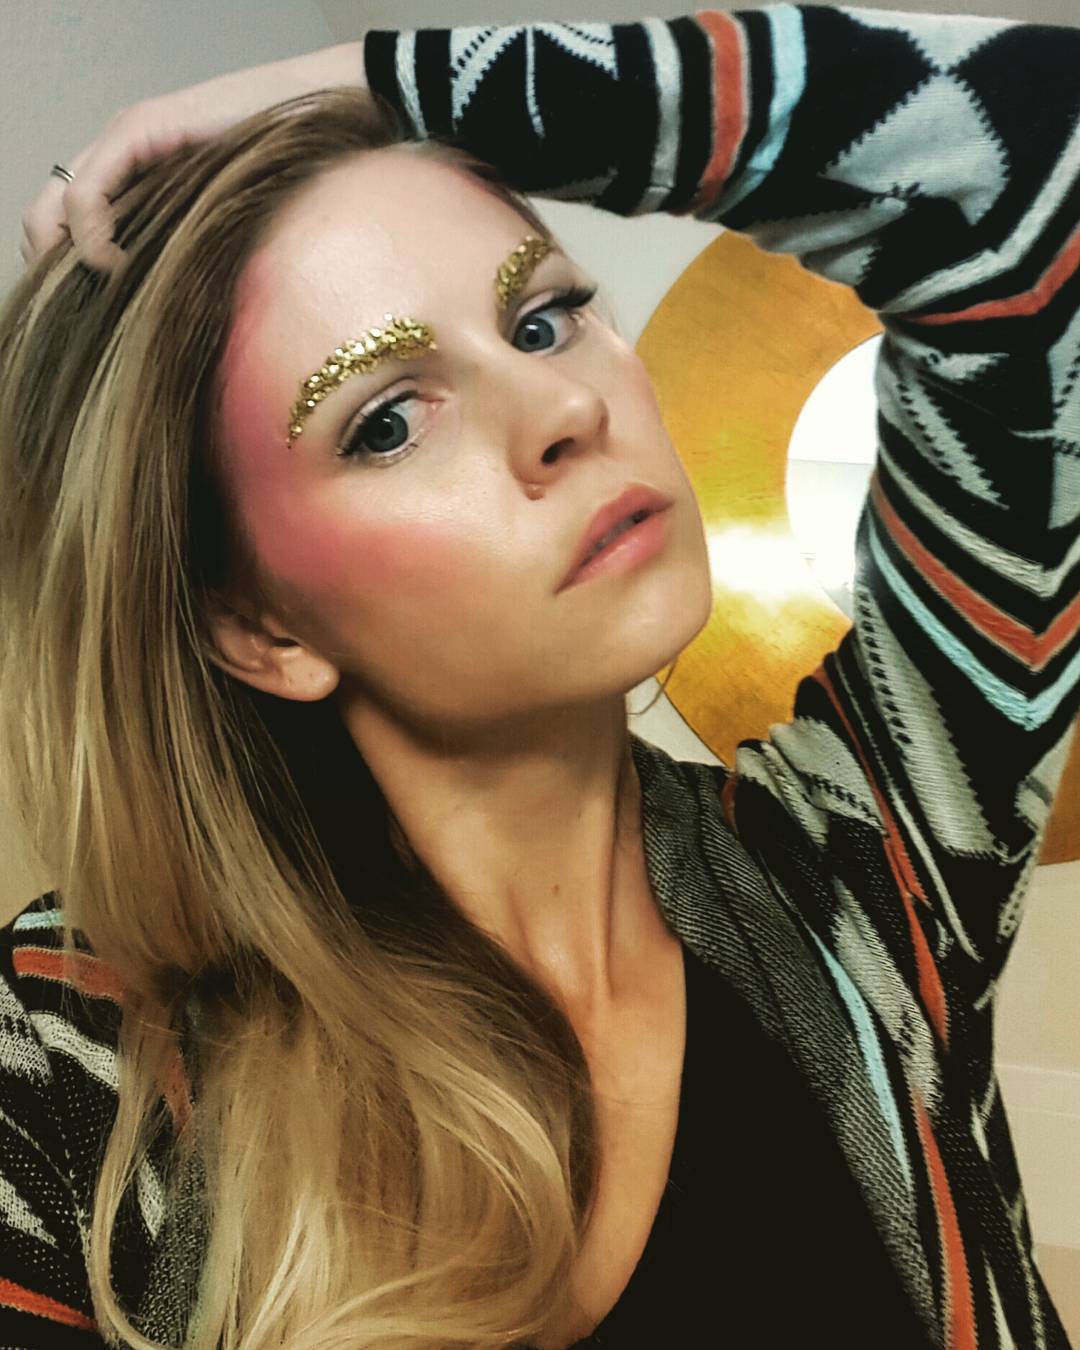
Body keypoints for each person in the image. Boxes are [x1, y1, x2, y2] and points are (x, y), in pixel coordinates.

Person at [3, 4, 1078, 1348]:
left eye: (544, 317)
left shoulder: (866, 878)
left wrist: (369, 82)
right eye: (388, 421)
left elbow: (1034, 160)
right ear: (262, 628)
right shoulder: (71, 1054)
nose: (568, 408)